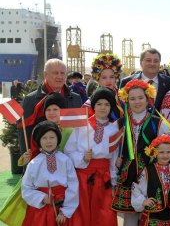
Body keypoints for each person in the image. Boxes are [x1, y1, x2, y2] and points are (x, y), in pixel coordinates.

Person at [64, 87, 121, 226]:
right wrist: (82, 157)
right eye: (99, 104)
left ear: (111, 107)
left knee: (104, 214)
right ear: (93, 106)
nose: (103, 108)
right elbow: (68, 151)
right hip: (83, 177)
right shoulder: (82, 125)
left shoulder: (115, 128)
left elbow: (113, 157)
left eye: (107, 104)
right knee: (83, 213)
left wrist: (113, 180)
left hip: (104, 177)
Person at [111, 80, 160, 225]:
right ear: (126, 100)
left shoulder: (158, 123)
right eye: (132, 98)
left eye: (140, 98)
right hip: (128, 176)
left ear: (147, 99)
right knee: (130, 218)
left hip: (150, 175)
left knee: (149, 217)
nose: (137, 102)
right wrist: (116, 161)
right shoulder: (119, 123)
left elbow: (167, 150)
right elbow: (112, 149)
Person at [21, 121, 79, 226]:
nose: (48, 141)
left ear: (58, 139)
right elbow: (26, 188)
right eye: (44, 138)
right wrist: (42, 198)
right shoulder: (34, 163)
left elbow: (73, 186)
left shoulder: (65, 160)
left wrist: (65, 212)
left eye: (52, 137)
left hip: (62, 207)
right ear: (39, 141)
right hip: (41, 210)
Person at [19, 59, 82, 153]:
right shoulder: (31, 99)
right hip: (41, 159)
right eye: (55, 73)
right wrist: (27, 159)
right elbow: (25, 132)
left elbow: (79, 131)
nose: (59, 76)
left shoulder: (75, 98)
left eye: (62, 73)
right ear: (45, 74)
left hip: (70, 159)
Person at [131, 135, 170, 225]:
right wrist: (143, 201)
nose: (165, 155)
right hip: (153, 215)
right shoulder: (148, 170)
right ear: (155, 153)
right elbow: (136, 187)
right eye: (161, 152)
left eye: (168, 152)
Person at [83, 53, 124, 120]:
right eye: (104, 78)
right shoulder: (90, 103)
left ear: (116, 78)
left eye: (111, 77)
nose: (108, 81)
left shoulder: (122, 99)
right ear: (98, 79)